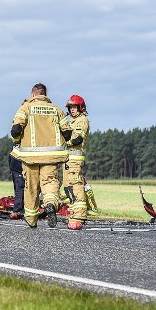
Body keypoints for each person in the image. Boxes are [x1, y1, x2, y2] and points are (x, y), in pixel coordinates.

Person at [10, 83, 69, 228]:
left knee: (31, 186)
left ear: (33, 94)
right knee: (49, 182)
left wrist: (17, 141)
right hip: (51, 156)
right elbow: (67, 133)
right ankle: (50, 204)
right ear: (45, 94)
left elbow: (16, 130)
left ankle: (31, 218)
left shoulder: (25, 107)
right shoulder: (56, 109)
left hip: (30, 157)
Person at [60, 94, 91, 229]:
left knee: (75, 185)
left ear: (80, 107)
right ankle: (74, 213)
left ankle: (79, 216)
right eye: (70, 107)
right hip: (67, 159)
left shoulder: (82, 120)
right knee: (68, 187)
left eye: (74, 107)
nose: (72, 110)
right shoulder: (70, 120)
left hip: (75, 159)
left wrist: (64, 142)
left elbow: (78, 139)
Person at [8, 151, 25, 220]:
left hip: (14, 166)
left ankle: (18, 209)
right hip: (19, 167)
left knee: (18, 189)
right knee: (20, 189)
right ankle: (18, 210)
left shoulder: (15, 147)